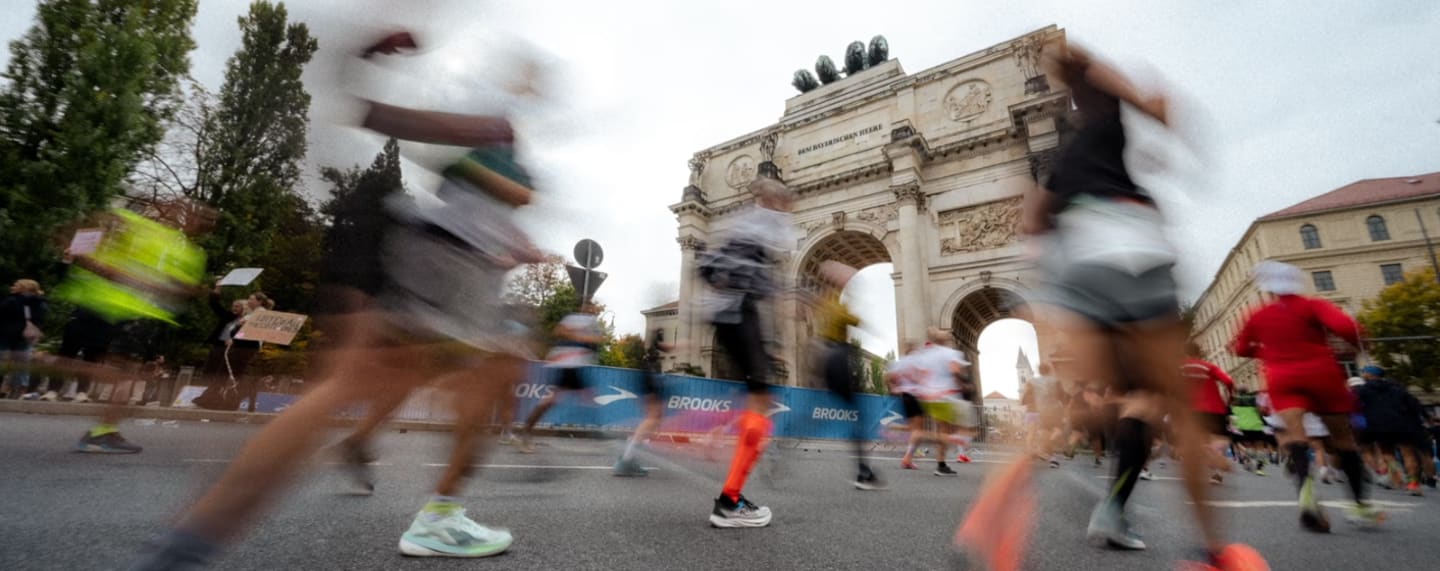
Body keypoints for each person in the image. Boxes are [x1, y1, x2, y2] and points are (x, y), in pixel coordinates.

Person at [128, 30, 542, 566]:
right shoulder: (493, 118)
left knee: (347, 390)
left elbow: (407, 135)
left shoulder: (495, 125)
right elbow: (417, 133)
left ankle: (187, 543)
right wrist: (513, 191)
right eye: (527, 78)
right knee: (497, 376)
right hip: (454, 267)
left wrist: (358, 66)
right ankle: (439, 517)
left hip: (426, 252)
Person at [1002, 45, 1262, 568]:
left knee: (1102, 397)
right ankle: (1212, 551)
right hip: (1133, 249)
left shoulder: (1062, 161)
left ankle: (1016, 501)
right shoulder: (1105, 119)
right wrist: (1156, 113)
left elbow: (1033, 220)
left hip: (1079, 267)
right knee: (1167, 403)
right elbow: (1138, 94)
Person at [1231, 260, 1383, 531]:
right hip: (1322, 372)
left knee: (1295, 436)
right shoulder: (1313, 305)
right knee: (1343, 439)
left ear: (1268, 289)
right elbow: (1348, 327)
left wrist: (1268, 352)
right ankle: (1360, 505)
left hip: (1282, 378)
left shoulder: (1258, 314)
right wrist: (1362, 344)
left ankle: (1306, 488)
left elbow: (1241, 347)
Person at [49, 206, 211, 454]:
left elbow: (100, 225)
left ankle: (104, 428)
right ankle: (104, 432)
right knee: (125, 375)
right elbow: (176, 288)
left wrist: (84, 255)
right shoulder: (184, 250)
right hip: (129, 312)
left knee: (114, 371)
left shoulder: (169, 242)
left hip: (115, 308)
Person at [694, 175, 795, 528]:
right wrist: (776, 344)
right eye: (785, 201)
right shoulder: (773, 221)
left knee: (756, 398)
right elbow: (776, 289)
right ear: (776, 201)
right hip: (741, 314)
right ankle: (729, 502)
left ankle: (714, 435)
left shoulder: (740, 220)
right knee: (761, 401)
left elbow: (707, 267)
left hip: (721, 316)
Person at [811, 260, 883, 489]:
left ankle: (778, 451)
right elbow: (857, 322)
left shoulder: (823, 306)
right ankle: (864, 471)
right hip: (840, 359)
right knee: (858, 417)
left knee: (815, 412)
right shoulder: (838, 308)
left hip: (826, 360)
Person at [518, 302, 603, 453]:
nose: (593, 310)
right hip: (567, 362)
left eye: (594, 309)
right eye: (590, 308)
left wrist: (588, 338)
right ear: (584, 308)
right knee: (585, 397)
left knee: (583, 397)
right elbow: (558, 331)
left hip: (576, 364)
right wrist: (580, 336)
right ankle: (527, 431)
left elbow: (599, 340)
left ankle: (527, 430)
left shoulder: (593, 323)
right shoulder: (573, 318)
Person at [1353, 365, 1427, 496]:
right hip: (1402, 424)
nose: (1363, 375)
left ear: (1370, 375)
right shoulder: (1397, 388)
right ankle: (1413, 484)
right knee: (1408, 454)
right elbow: (1414, 405)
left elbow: (1356, 407)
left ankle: (1397, 474)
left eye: (1364, 373)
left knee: (1387, 453)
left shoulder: (1362, 390)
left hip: (1379, 426)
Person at [614, 328, 673, 476]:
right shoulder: (653, 343)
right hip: (651, 373)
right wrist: (686, 344)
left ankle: (628, 455)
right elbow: (667, 347)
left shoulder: (651, 347)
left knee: (654, 417)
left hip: (649, 373)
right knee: (653, 416)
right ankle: (626, 459)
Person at [1182, 342, 1236, 485]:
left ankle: (1208, 453)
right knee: (1221, 440)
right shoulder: (1208, 366)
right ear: (1199, 353)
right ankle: (1216, 473)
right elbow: (1228, 380)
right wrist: (1230, 397)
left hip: (1192, 409)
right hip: (1215, 408)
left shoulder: (1180, 369)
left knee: (1201, 440)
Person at [0, 279, 47, 398]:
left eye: (16, 285)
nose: (13, 286)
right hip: (25, 337)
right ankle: (20, 391)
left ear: (24, 288)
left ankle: (7, 388)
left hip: (6, 336)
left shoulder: (11, 300)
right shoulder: (40, 303)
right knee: (22, 365)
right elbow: (40, 320)